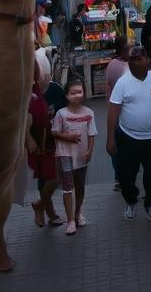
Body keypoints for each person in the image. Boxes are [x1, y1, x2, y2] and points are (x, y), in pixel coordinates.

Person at [106, 46, 151, 222]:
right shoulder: (123, 83)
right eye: (132, 59)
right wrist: (110, 138)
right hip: (128, 138)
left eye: (139, 58)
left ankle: (150, 204)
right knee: (126, 176)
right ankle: (130, 200)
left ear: (149, 60)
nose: (134, 62)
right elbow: (113, 111)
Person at [51, 78, 98, 235]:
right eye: (73, 93)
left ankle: (78, 213)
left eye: (79, 92)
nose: (77, 95)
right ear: (66, 95)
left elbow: (92, 134)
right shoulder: (61, 114)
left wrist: (89, 151)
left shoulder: (89, 113)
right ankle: (70, 220)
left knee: (80, 187)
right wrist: (68, 137)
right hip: (65, 155)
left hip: (82, 156)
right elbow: (54, 132)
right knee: (67, 188)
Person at [25, 67, 62, 227]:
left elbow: (65, 107)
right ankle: (49, 213)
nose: (40, 78)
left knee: (54, 178)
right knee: (45, 179)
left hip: (55, 140)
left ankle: (40, 206)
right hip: (39, 143)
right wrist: (28, 138)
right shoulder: (28, 93)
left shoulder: (54, 89)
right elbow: (22, 117)